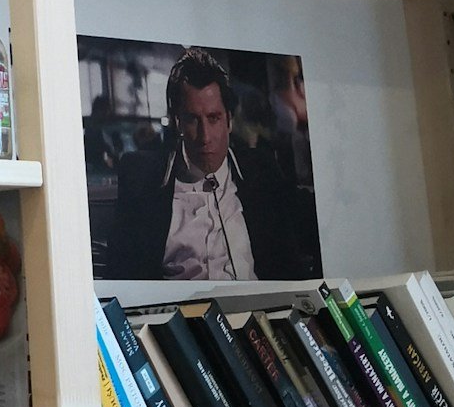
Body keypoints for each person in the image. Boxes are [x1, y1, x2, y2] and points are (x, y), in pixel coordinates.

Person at [104, 48, 318, 282]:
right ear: (178, 123)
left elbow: (308, 225)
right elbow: (122, 273)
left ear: (228, 120)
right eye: (193, 120)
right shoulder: (143, 179)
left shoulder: (260, 169)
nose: (205, 136)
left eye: (214, 118)